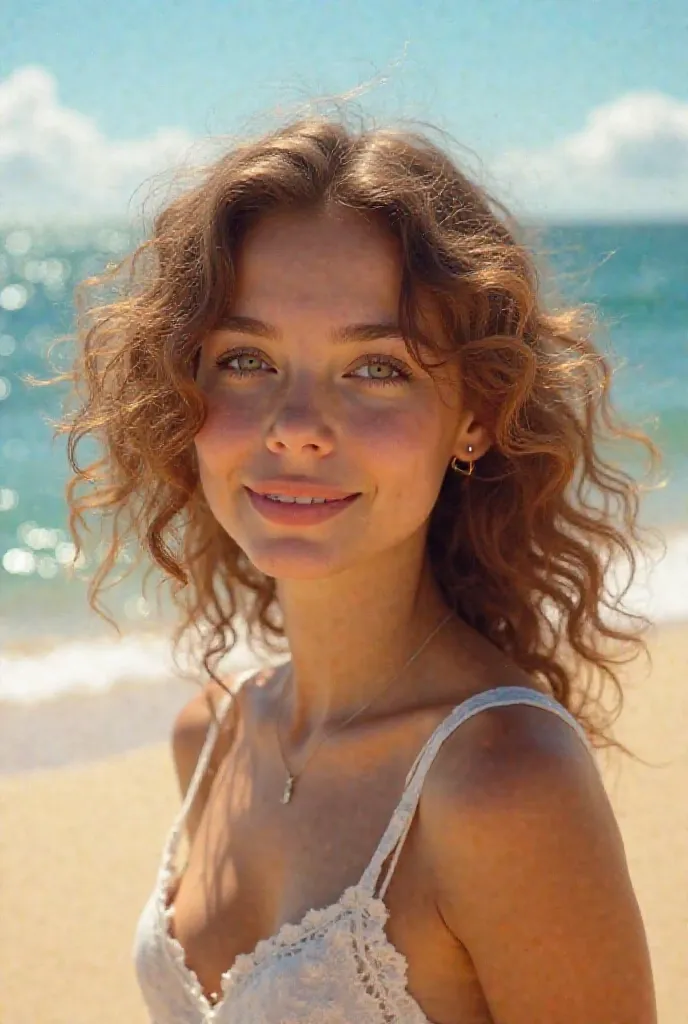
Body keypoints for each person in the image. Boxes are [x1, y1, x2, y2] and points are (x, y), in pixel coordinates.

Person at [60, 114, 659, 1022]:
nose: (296, 423)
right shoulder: (213, 735)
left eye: (375, 367)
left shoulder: (501, 782)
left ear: (475, 417)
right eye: (247, 359)